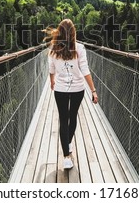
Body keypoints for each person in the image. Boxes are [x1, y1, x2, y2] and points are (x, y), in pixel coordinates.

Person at [47, 19, 98, 170]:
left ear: (59, 32)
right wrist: (93, 90)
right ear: (74, 32)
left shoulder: (52, 48)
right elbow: (85, 70)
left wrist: (52, 81)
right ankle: (68, 143)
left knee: (63, 119)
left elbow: (51, 68)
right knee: (73, 116)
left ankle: (66, 157)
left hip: (61, 89)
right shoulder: (80, 48)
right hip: (77, 89)